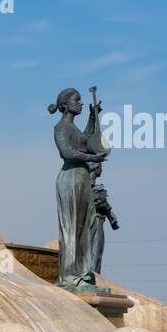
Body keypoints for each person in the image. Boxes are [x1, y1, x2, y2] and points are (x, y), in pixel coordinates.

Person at [50, 88, 109, 291]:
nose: (81, 104)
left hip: (82, 178)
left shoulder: (74, 129)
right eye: (77, 100)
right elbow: (67, 152)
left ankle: (83, 275)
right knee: (72, 228)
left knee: (88, 226)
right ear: (65, 105)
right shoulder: (60, 128)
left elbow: (86, 140)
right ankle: (69, 277)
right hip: (70, 178)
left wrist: (93, 117)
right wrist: (93, 158)